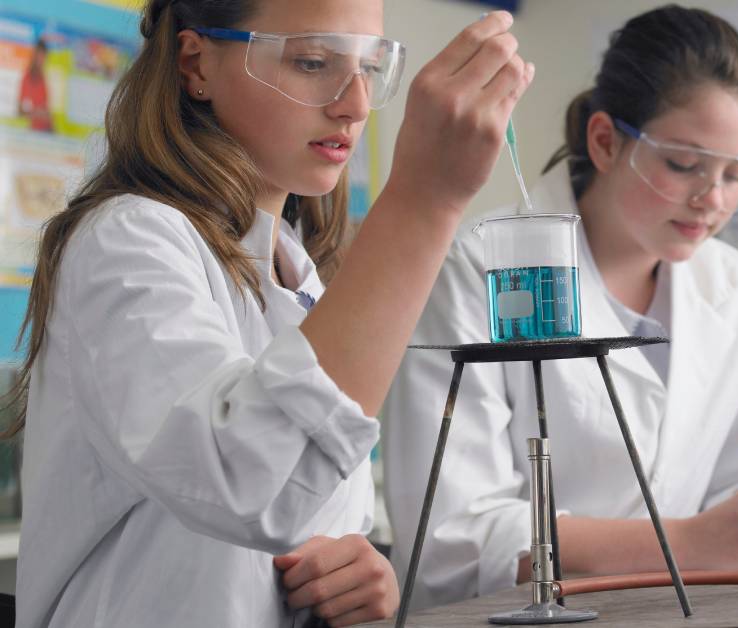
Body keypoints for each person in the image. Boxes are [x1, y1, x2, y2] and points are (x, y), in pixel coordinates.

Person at [6, 0, 532, 625]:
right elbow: (249, 482)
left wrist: (361, 572)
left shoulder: (298, 272)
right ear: (196, 63)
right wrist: (424, 200)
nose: (355, 105)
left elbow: (310, 508)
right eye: (313, 61)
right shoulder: (126, 240)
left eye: (369, 69)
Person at [385, 4, 738, 609]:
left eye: (734, 174)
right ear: (606, 141)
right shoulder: (479, 267)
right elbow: (451, 538)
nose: (712, 200)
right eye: (685, 164)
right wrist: (688, 543)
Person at [18, 38, 52, 133]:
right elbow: (21, 111)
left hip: (46, 129)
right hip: (32, 131)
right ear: (34, 56)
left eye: (44, 57)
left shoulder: (43, 78)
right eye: (39, 56)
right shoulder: (27, 78)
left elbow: (46, 109)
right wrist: (39, 113)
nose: (42, 60)